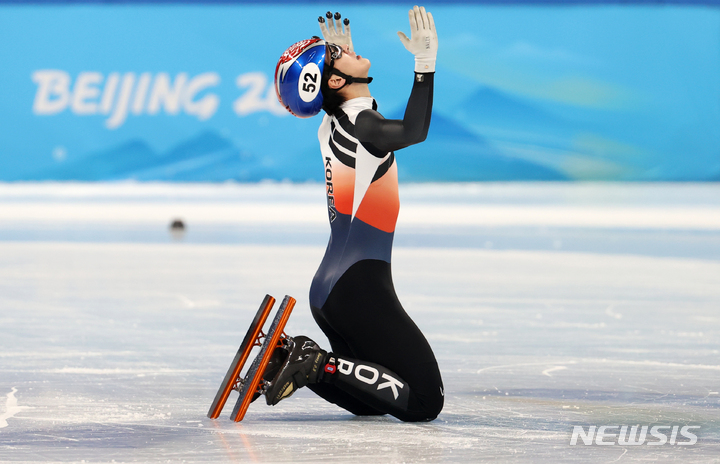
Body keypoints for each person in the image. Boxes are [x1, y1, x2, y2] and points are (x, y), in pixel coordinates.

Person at [266, 6, 442, 423]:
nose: (343, 49)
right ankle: (315, 363)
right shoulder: (361, 124)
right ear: (335, 80)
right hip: (359, 289)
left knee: (373, 400)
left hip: (335, 288)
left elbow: (351, 109)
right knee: (423, 401)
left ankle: (301, 362)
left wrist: (338, 67)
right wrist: (425, 65)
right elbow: (412, 132)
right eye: (333, 55)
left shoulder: (336, 123)